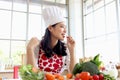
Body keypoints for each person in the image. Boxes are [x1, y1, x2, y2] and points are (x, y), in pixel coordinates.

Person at [26, 6, 76, 74]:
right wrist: (29, 48)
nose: (65, 30)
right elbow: (32, 74)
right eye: (62, 26)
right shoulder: (37, 46)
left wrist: (72, 50)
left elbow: (73, 73)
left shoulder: (65, 47)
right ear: (50, 28)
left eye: (65, 27)